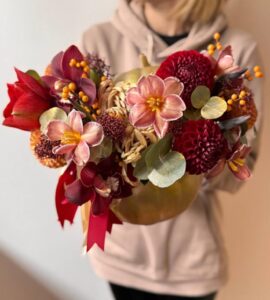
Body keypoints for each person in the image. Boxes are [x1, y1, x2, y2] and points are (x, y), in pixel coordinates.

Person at [80, 0, 263, 299]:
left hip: (190, 266)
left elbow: (241, 169)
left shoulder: (236, 50)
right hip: (119, 255)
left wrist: (201, 152)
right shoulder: (99, 41)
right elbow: (84, 157)